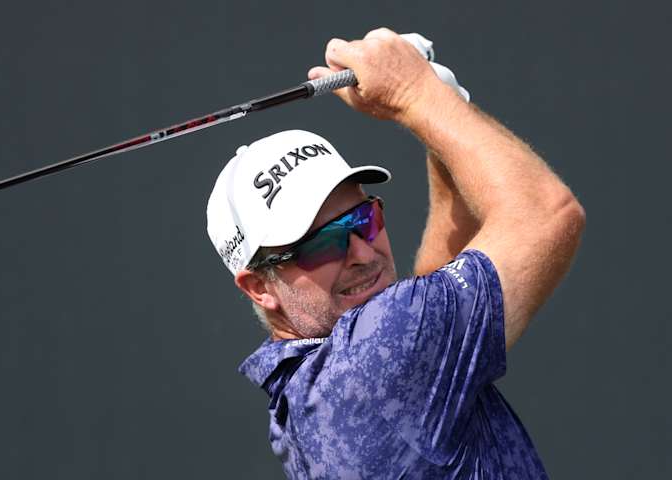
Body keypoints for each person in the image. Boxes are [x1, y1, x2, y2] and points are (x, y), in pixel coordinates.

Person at [206, 27, 585, 479]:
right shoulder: (367, 365)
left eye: (362, 220)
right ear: (259, 286)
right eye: (321, 244)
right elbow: (547, 212)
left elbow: (437, 289)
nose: (362, 253)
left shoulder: (312, 389)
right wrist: (413, 94)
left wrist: (443, 107)